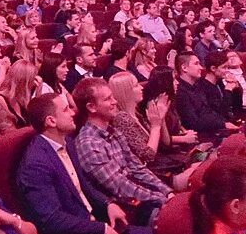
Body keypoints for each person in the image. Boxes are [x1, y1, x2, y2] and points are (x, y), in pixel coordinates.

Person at [16, 91, 151, 234]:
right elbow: (52, 219)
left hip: (95, 225)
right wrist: (101, 229)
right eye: (66, 110)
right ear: (51, 121)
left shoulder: (68, 142)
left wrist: (107, 203)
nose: (73, 113)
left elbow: (83, 184)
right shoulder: (35, 164)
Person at [69, 77, 170, 220]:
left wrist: (167, 192)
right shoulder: (89, 144)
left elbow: (137, 168)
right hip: (128, 209)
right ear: (92, 107)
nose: (115, 102)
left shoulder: (112, 131)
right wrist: (163, 199)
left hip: (145, 199)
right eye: (108, 99)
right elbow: (121, 187)